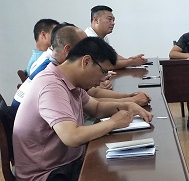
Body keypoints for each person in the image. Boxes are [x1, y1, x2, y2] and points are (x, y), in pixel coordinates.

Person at [12, 37, 153, 181]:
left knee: (121, 169)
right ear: (86, 61)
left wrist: (127, 105)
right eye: (103, 71)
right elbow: (71, 136)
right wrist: (114, 123)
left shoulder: (69, 81)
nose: (104, 79)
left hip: (65, 165)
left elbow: (96, 108)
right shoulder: (51, 86)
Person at [13, 24, 150, 116]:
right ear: (68, 49)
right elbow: (71, 135)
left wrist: (129, 99)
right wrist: (129, 104)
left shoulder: (61, 69)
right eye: (83, 47)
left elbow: (91, 99)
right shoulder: (48, 74)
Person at [85, 5, 148, 69]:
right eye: (109, 19)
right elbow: (104, 65)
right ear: (96, 20)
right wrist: (131, 62)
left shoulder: (103, 37)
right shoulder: (89, 38)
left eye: (113, 20)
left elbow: (113, 56)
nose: (113, 23)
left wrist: (129, 60)